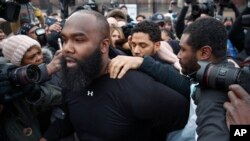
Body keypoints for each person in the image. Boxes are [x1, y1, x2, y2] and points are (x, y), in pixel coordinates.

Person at [40, 10, 189, 141]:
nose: (67, 48)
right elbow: (69, 120)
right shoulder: (73, 80)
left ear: (104, 45)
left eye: (78, 40)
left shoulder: (137, 87)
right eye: (65, 40)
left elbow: (183, 115)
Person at [109, 17, 233, 141]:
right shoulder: (210, 79)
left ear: (205, 53)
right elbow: (184, 84)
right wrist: (143, 63)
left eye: (183, 50)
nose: (178, 55)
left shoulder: (216, 96)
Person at [0, 35, 62, 141]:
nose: (39, 58)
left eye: (39, 52)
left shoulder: (54, 68)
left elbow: (59, 97)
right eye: (31, 57)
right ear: (18, 64)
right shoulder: (11, 88)